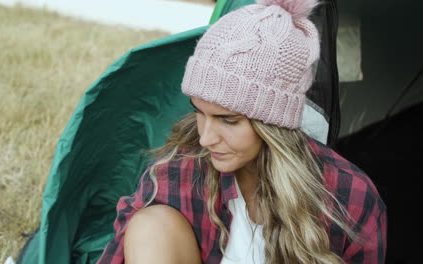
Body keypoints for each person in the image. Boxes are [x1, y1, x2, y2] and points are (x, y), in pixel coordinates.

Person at [97, 0, 387, 263]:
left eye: (228, 120)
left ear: (274, 125)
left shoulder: (349, 197)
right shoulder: (177, 174)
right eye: (200, 112)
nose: (206, 138)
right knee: (151, 225)